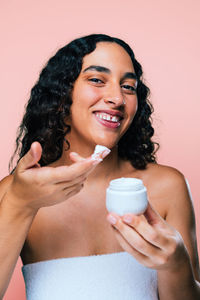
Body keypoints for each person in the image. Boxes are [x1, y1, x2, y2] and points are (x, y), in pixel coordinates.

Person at [0, 34, 199, 300]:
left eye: (128, 87)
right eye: (96, 80)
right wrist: (20, 204)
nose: (117, 97)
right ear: (62, 93)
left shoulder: (167, 187)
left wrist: (176, 265)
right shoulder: (16, 192)